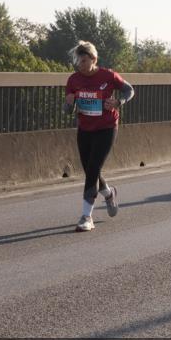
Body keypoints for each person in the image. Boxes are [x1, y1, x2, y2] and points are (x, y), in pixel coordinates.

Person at [64, 41, 134, 231]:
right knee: (90, 170)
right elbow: (68, 110)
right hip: (85, 129)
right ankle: (109, 194)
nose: (80, 64)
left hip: (106, 128)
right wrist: (69, 103)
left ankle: (87, 217)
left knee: (94, 167)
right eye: (78, 60)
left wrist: (118, 101)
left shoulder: (108, 75)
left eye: (84, 60)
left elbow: (129, 90)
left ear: (94, 59)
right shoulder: (73, 80)